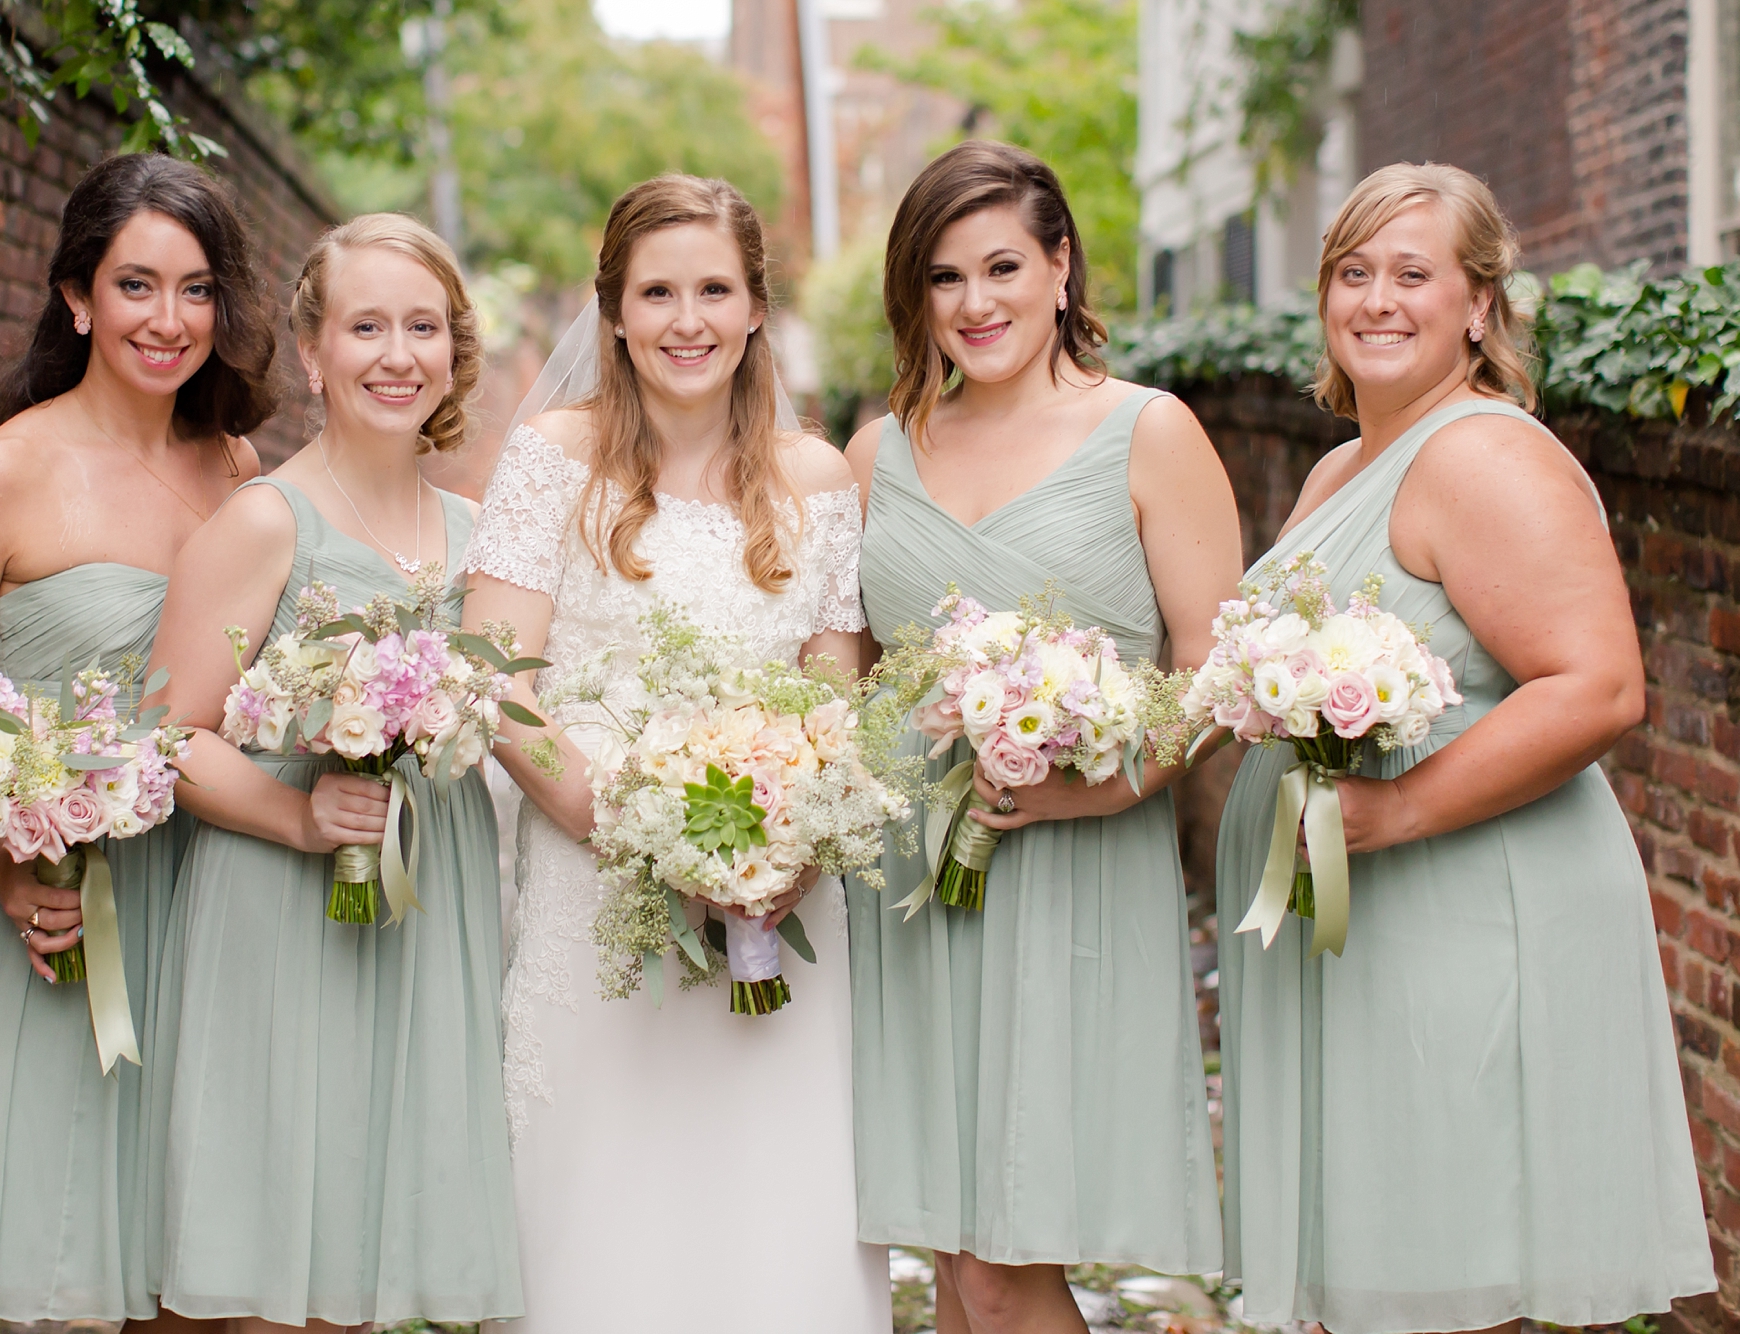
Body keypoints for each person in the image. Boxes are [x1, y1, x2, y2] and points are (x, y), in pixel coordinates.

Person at [1213, 161, 1716, 1331]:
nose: (1376, 301)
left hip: (1458, 906)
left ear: (1477, 305)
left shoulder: (1482, 453)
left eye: (1411, 274)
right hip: (1354, 917)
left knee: (1447, 1258)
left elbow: (1597, 686)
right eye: (1351, 272)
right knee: (1383, 1262)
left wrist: (1390, 812)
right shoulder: (1344, 462)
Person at [0, 152, 275, 1333]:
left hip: (177, 903)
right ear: (76, 296)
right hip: (16, 905)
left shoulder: (238, 472)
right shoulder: (2, 473)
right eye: (135, 285)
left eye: (195, 289)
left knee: (155, 1264)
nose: (167, 319)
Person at [461, 174, 889, 1332]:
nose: (685, 319)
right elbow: (496, 684)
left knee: (765, 1195)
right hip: (591, 877)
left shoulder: (813, 479)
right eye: (656, 292)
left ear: (756, 308)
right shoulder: (555, 456)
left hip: (776, 897)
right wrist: (641, 835)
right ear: (612, 312)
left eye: (714, 289)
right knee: (608, 1197)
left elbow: (834, 697)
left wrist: (781, 839)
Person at [845, 140, 1236, 1333]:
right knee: (960, 1251)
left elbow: (1214, 663)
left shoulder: (1147, 431)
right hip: (910, 881)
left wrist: (1115, 787)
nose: (975, 303)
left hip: (1071, 865)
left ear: (1061, 267)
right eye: (943, 277)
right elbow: (846, 677)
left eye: (1002, 265)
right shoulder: (876, 449)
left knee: (1012, 1263)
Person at [142, 212, 520, 1331]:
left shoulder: (479, 533)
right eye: (365, 325)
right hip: (282, 907)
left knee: (358, 1260)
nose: (396, 353)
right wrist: (301, 816)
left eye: (422, 325)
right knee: (271, 1262)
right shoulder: (266, 522)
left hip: (424, 908)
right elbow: (166, 734)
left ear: (454, 350)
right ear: (311, 352)